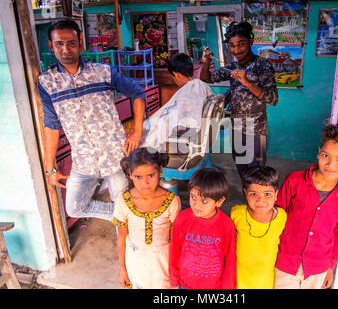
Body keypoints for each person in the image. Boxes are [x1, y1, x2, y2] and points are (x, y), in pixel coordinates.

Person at [38, 20, 145, 221]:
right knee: (75, 207)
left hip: (115, 156)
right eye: (59, 44)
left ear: (80, 43)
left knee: (122, 201)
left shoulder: (102, 71)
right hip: (83, 160)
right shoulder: (47, 81)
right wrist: (50, 167)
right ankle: (129, 217)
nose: (65, 49)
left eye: (71, 43)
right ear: (51, 45)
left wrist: (137, 130)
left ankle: (130, 235)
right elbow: (51, 125)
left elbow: (137, 93)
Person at [274, 124, 338, 289]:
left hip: (318, 267)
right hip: (285, 263)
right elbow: (275, 217)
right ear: (318, 152)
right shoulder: (295, 181)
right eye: (325, 155)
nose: (331, 164)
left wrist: (331, 265)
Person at [200, 21, 278, 178]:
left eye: (241, 44)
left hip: (256, 130)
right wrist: (206, 63)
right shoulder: (232, 66)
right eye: (232, 45)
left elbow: (273, 99)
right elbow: (206, 79)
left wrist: (248, 83)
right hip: (236, 129)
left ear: (251, 41)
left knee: (256, 175)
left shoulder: (263, 66)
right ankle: (246, 199)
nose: (236, 50)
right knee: (242, 172)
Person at [112, 147, 181, 289]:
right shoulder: (123, 201)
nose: (145, 183)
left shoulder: (172, 200)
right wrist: (122, 269)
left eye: (151, 175)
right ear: (130, 174)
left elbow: (176, 239)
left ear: (160, 172)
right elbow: (122, 238)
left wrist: (177, 269)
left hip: (163, 263)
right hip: (136, 262)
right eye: (138, 177)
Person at [169, 168, 236, 289]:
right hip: (185, 285)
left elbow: (230, 261)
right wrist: (174, 283)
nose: (197, 204)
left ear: (219, 201)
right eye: (193, 197)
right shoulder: (182, 219)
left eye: (204, 201)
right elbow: (174, 252)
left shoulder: (226, 225)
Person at [140, 53, 214, 153]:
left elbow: (174, 121)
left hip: (187, 138)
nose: (174, 81)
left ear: (176, 74)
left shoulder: (188, 91)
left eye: (173, 77)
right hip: (202, 134)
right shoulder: (201, 85)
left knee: (149, 134)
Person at [231, 166, 287, 289]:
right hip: (239, 280)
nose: (260, 200)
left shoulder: (282, 217)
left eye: (267, 194)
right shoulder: (237, 214)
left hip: (267, 282)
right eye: (253, 194)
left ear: (276, 195)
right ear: (245, 193)